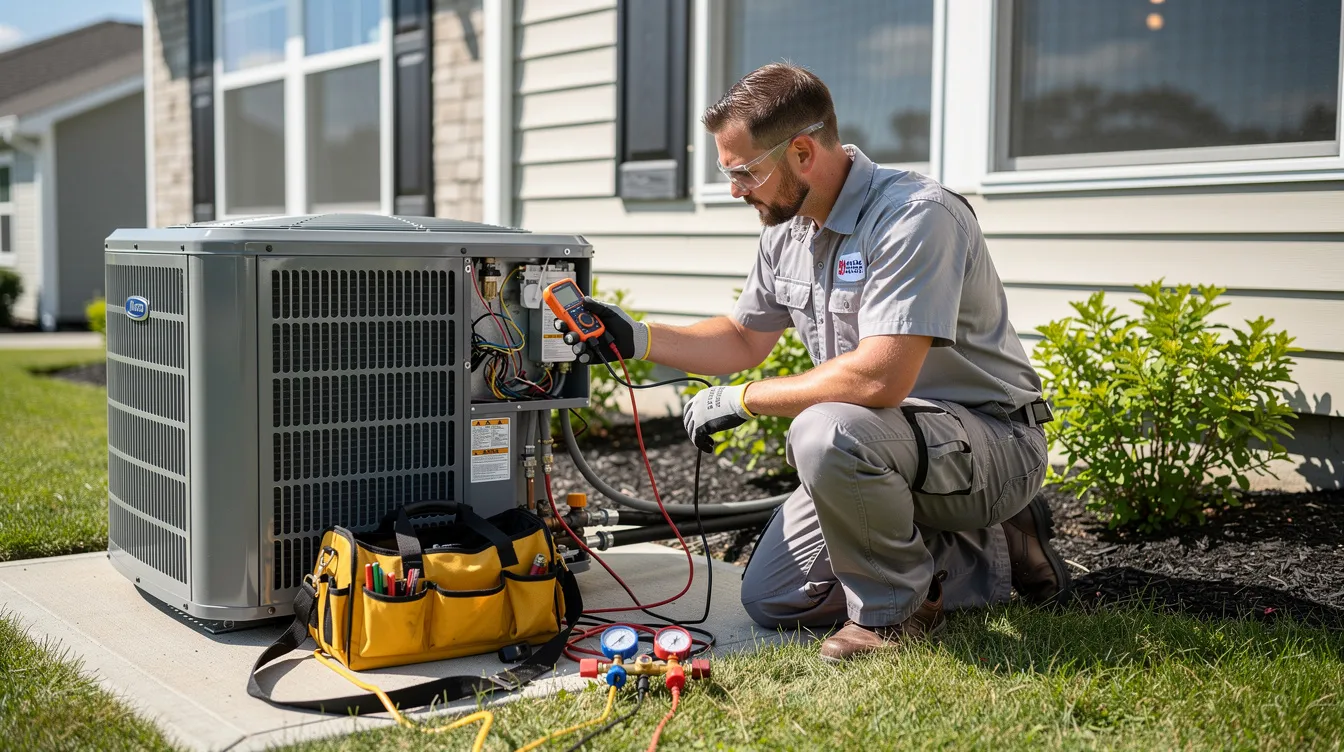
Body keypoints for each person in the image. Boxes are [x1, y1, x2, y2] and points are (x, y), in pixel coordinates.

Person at [567, 63, 1071, 662]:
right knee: (774, 598)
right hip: (886, 445)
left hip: (991, 440)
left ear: (802, 152)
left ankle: (894, 614)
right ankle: (990, 547)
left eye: (743, 172)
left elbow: (878, 378)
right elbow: (741, 337)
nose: (734, 190)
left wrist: (742, 399)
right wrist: (638, 337)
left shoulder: (915, 217)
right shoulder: (786, 228)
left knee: (826, 428)